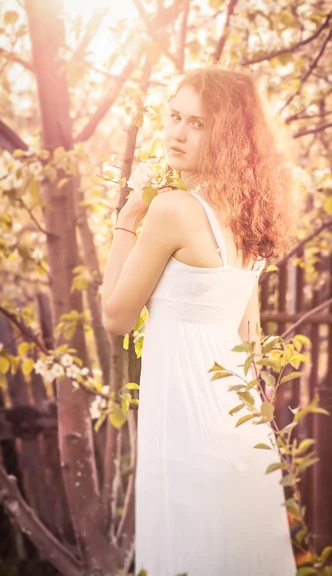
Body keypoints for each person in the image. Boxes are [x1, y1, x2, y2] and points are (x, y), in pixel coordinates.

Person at [102, 66, 296, 576]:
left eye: (198, 123)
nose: (177, 133)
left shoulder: (172, 210)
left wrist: (128, 215)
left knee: (187, 551)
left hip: (187, 415)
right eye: (173, 117)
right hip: (239, 420)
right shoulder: (248, 215)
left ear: (227, 134)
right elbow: (247, 333)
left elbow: (116, 316)